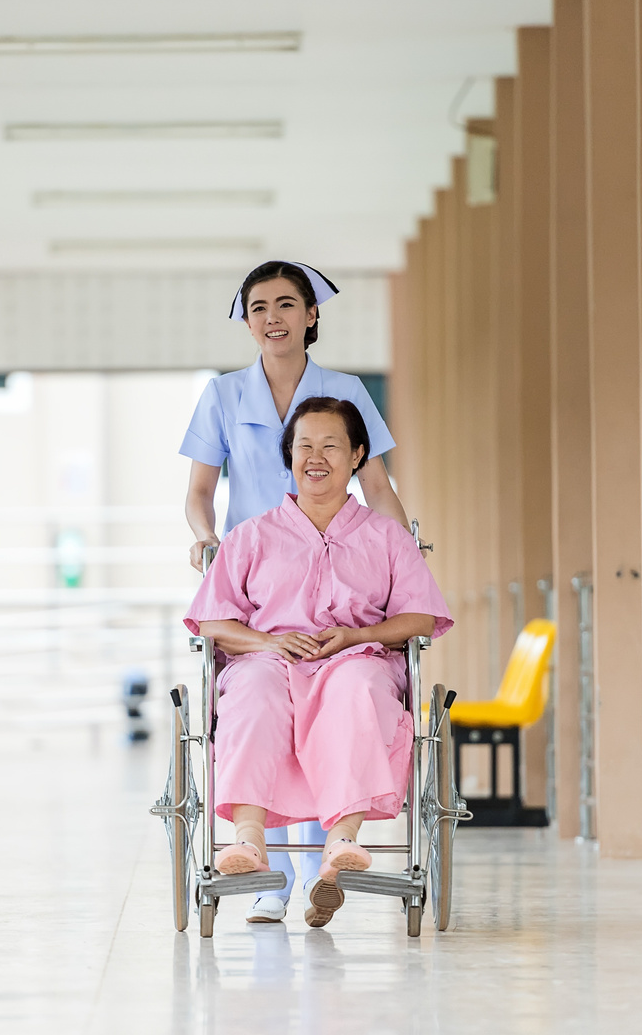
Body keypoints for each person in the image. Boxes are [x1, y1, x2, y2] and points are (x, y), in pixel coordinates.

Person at [180, 260, 411, 924]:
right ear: (246, 319)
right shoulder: (223, 396)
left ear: (312, 315)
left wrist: (399, 556)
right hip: (259, 579)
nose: (273, 317)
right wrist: (205, 541)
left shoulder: (345, 390)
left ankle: (318, 873)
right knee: (265, 698)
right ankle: (267, 879)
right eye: (259, 307)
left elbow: (377, 484)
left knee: (333, 694)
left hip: (337, 571)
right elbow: (200, 495)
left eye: (287, 304)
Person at [184, 397, 452, 928]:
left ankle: (342, 842)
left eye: (331, 445)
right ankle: (249, 841)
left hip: (355, 655)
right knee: (253, 690)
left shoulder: (387, 537)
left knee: (357, 686)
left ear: (357, 456)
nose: (316, 456)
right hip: (268, 657)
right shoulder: (252, 536)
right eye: (304, 445)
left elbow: (420, 618)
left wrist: (360, 633)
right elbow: (212, 622)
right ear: (289, 457)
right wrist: (266, 643)